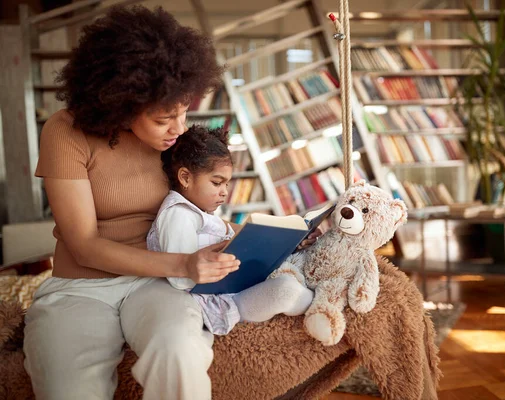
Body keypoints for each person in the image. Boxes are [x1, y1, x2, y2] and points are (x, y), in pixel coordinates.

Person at [22, 5, 321, 400]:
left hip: (157, 283)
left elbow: (197, 210)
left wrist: (268, 234)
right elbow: (84, 245)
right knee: (67, 387)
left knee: (179, 350)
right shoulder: (65, 130)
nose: (178, 129)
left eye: (183, 113)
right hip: (82, 286)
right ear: (122, 103)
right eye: (165, 119)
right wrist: (183, 264)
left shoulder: (174, 142)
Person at [146, 124, 314, 335]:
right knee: (284, 290)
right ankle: (322, 309)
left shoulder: (197, 211)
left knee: (291, 272)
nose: (225, 192)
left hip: (228, 288)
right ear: (185, 178)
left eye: (227, 184)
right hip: (214, 302)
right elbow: (180, 278)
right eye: (217, 183)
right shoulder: (177, 215)